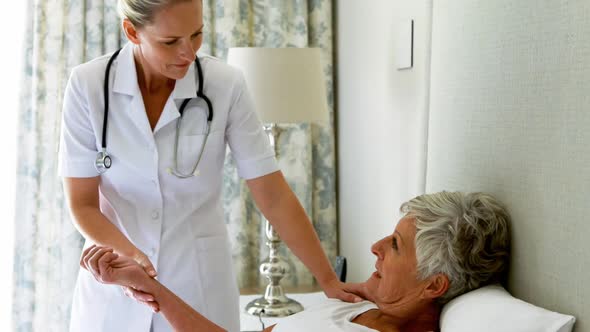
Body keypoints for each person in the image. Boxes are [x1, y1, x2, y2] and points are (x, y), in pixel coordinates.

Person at [59, 1, 359, 331]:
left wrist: (328, 279)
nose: (188, 53)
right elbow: (83, 204)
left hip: (198, 285)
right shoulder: (88, 85)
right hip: (113, 288)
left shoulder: (224, 84)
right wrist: (132, 259)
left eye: (197, 34)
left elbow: (272, 194)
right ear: (132, 31)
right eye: (170, 41)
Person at [81, 191, 511, 332]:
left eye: (396, 246)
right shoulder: (368, 305)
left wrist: (151, 286)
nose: (376, 247)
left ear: (435, 286)